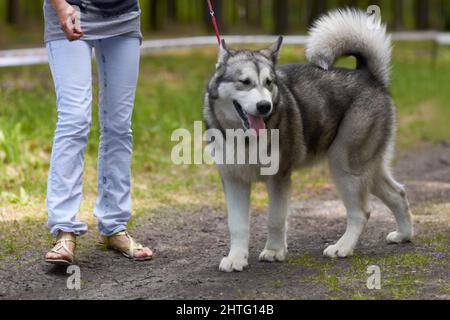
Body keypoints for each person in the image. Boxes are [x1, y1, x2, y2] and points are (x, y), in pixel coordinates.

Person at [44, 0, 153, 265]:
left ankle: (114, 225)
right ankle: (64, 229)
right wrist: (60, 7)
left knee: (118, 126)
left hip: (123, 16)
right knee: (74, 120)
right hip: (71, 10)